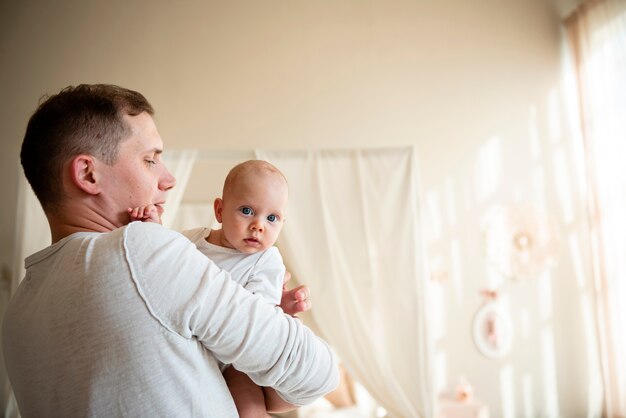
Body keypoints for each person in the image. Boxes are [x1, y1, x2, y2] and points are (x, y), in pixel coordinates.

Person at [2, 84, 338, 417]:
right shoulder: (139, 248)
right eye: (150, 160)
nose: (169, 179)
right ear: (89, 174)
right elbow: (318, 374)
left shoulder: (19, 312)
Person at [131, 159, 296, 416]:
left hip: (234, 362)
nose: (258, 225)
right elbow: (166, 260)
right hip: (188, 348)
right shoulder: (193, 240)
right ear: (219, 210)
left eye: (272, 217)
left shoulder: (267, 260)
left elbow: (259, 317)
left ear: (282, 224)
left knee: (248, 407)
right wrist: (153, 226)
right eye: (246, 210)